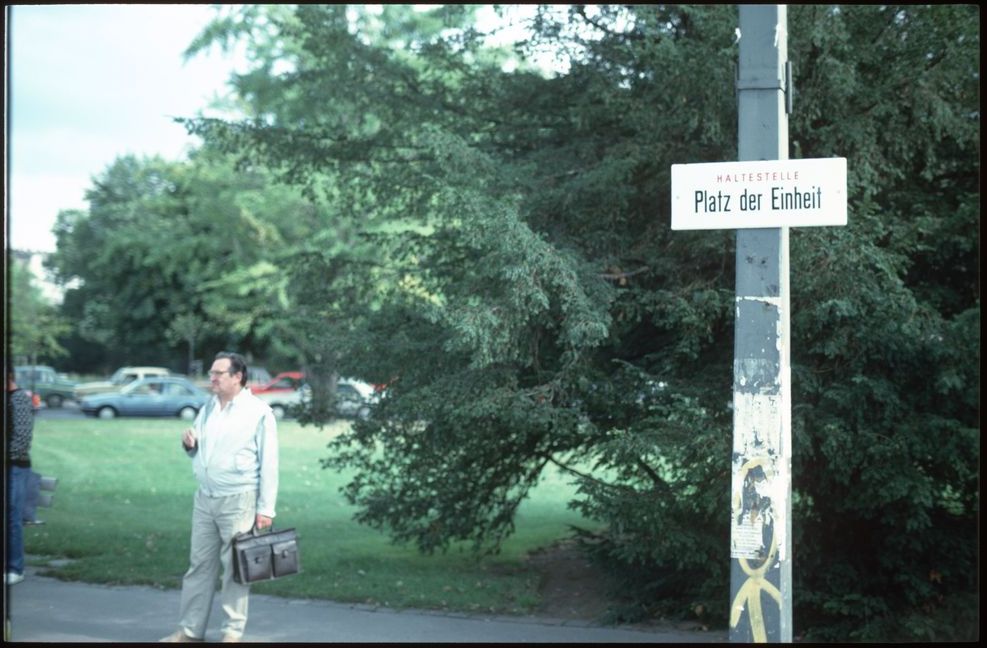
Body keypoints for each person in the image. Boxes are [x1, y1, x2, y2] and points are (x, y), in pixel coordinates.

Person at [160, 352, 279, 643]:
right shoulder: (209, 407)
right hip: (205, 500)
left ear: (237, 377)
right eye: (212, 373)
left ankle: (231, 633)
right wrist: (189, 444)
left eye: (218, 373)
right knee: (198, 567)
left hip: (239, 500)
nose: (211, 378)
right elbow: (198, 446)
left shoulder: (258, 411)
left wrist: (266, 509)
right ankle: (189, 631)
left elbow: (270, 462)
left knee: (237, 570)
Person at [6, 365, 35, 585]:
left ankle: (15, 568)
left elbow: (22, 439)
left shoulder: (20, 400)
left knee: (12, 516)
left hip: (15, 467)